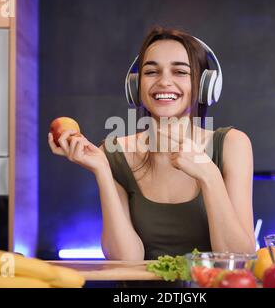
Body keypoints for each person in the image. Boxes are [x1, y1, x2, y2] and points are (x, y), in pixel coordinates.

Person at [48, 26, 255, 260]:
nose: (164, 82)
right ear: (136, 87)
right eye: (151, 72)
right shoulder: (115, 152)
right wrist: (102, 171)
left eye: (180, 72)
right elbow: (126, 260)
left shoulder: (233, 144)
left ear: (206, 84)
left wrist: (209, 175)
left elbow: (239, 259)